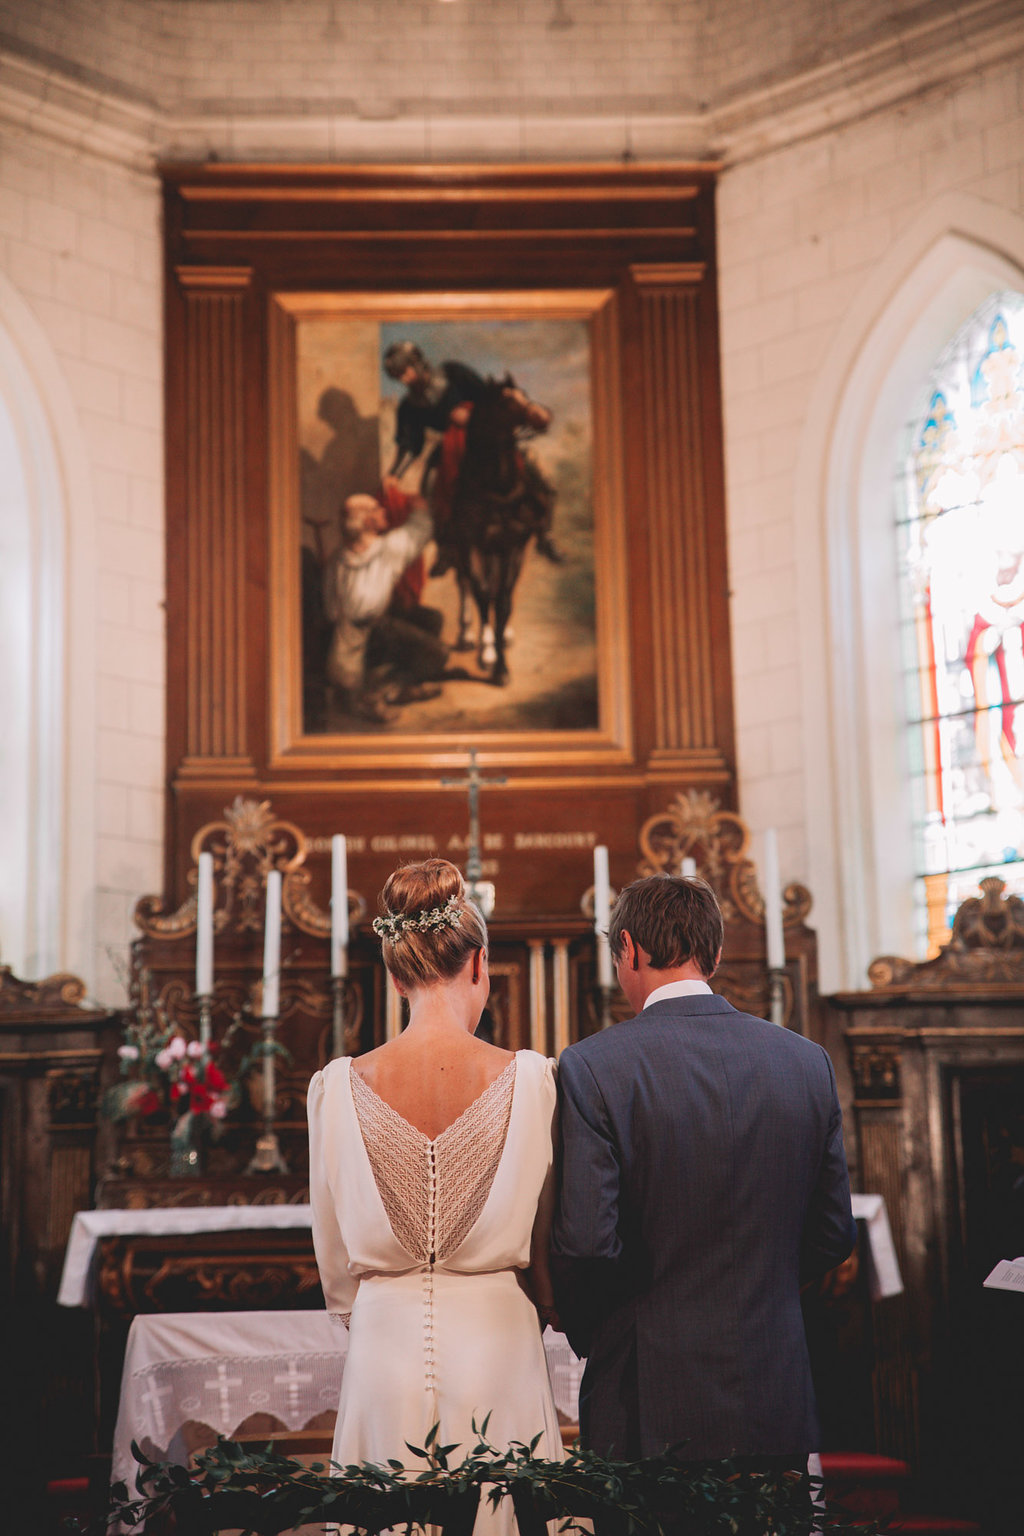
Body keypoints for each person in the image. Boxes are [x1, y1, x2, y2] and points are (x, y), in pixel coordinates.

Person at [552, 874, 856, 1480]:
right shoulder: (806, 1062)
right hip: (773, 1388)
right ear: (714, 955)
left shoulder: (594, 1065)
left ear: (628, 949)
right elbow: (833, 1234)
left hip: (646, 1395)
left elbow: (587, 1242)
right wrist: (759, 1293)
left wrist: (604, 1335)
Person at [307, 859, 563, 1531]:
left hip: (382, 1351)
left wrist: (377, 1303)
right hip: (501, 1346)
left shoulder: (334, 1086)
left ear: (396, 977)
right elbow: (549, 1240)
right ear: (479, 964)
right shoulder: (535, 1080)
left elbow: (335, 1262)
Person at [322, 476, 450, 722]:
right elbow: (419, 531)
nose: (383, 511)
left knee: (432, 619)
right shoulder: (387, 549)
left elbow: (330, 609)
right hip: (369, 630)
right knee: (439, 654)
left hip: (363, 624)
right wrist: (420, 507)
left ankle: (405, 687)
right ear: (367, 521)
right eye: (376, 509)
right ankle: (379, 693)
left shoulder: (338, 558)